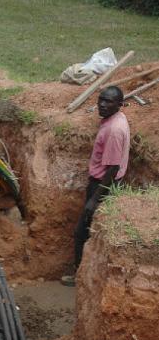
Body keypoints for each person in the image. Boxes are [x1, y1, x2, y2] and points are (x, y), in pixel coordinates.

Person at [61, 86, 130, 286]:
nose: (102, 104)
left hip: (103, 185)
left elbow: (113, 167)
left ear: (119, 104)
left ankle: (80, 277)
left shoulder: (114, 130)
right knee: (91, 230)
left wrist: (94, 199)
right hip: (105, 183)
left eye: (108, 101)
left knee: (82, 232)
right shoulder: (117, 119)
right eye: (100, 99)